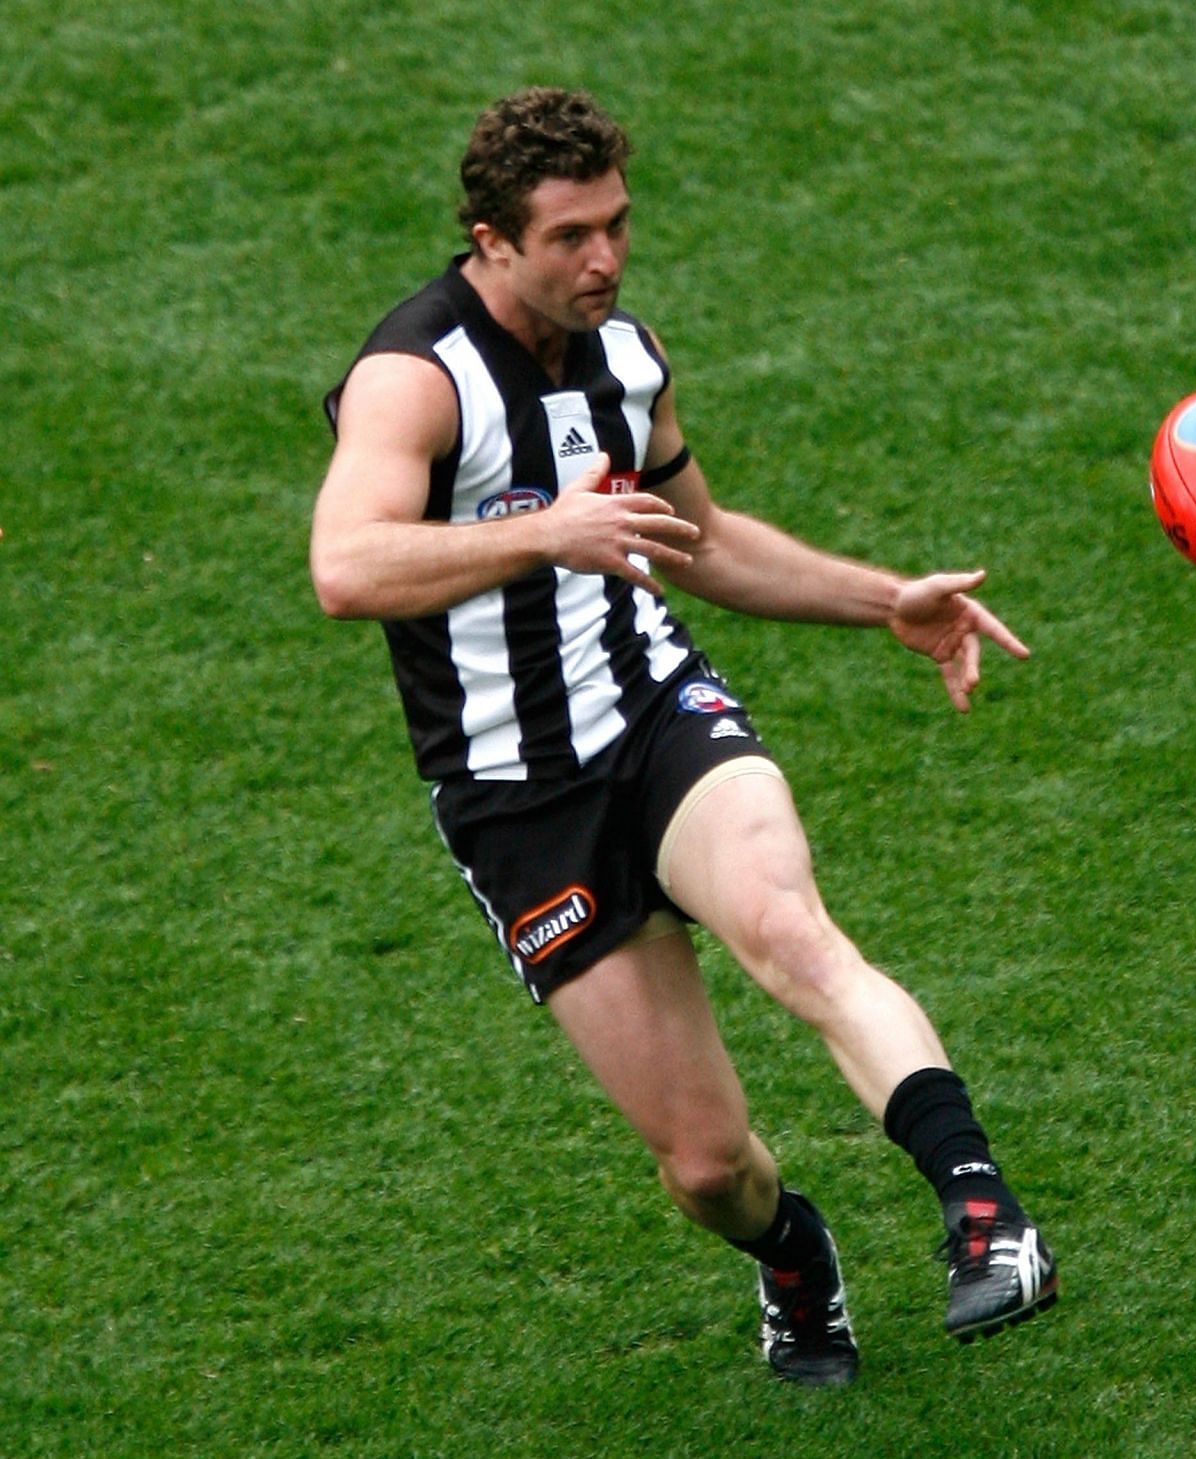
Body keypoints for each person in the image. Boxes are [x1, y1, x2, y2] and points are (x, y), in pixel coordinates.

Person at [309, 87, 1057, 1387]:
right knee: (707, 1165)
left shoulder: (627, 358)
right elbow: (344, 564)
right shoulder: (414, 380)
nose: (603, 260)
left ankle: (986, 1215)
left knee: (793, 936)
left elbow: (698, 543)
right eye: (569, 237)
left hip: (656, 721)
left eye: (617, 225)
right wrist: (547, 530)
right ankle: (790, 1253)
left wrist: (892, 600)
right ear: (489, 239)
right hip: (514, 799)